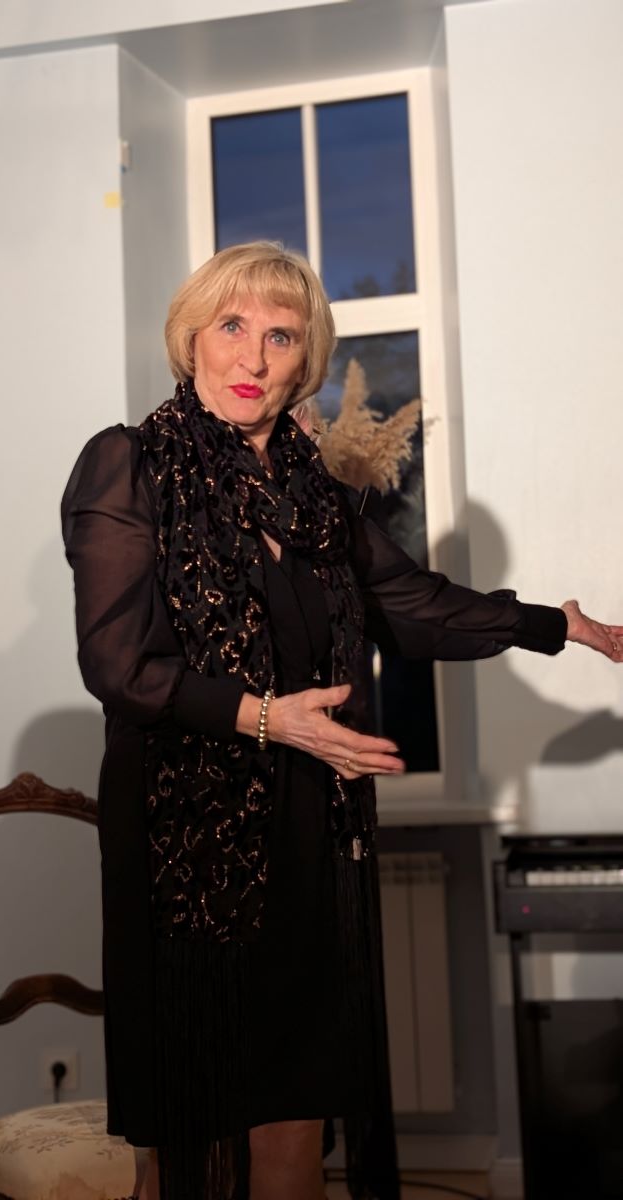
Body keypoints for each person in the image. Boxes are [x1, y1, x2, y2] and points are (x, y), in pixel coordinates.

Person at [61, 241, 623, 1200]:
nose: (252, 357)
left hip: (310, 830)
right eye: (231, 326)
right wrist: (268, 718)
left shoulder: (314, 495)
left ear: (304, 362)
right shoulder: (129, 463)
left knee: (295, 1116)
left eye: (280, 336)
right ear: (191, 340)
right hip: (185, 841)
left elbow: (411, 605)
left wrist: (554, 625)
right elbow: (118, 665)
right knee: (192, 1135)